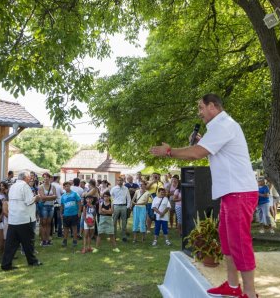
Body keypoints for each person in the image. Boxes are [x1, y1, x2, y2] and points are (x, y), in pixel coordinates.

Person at [150, 93, 258, 298]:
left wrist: (169, 151)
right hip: (232, 193)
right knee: (227, 242)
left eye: (201, 107)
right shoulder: (221, 127)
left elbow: (196, 153)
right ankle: (233, 286)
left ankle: (250, 293)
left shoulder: (223, 125)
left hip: (239, 192)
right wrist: (201, 141)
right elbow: (210, 149)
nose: (199, 113)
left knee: (239, 243)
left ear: (213, 106)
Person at [1, 171, 42, 271]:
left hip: (13, 219)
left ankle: (6, 264)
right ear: (25, 178)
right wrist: (36, 197)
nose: (30, 179)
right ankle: (32, 261)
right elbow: (29, 201)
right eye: (29, 177)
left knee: (11, 244)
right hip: (24, 218)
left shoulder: (12, 187)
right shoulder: (25, 186)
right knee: (28, 242)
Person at [60, 182, 81, 247]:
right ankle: (65, 240)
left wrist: (79, 211)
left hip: (74, 214)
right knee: (66, 228)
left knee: (74, 228)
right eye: (65, 186)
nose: (67, 187)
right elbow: (62, 205)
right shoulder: (63, 196)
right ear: (64, 187)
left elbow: (79, 202)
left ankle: (75, 241)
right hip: (66, 214)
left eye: (68, 186)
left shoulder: (75, 194)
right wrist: (61, 213)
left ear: (70, 186)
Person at [110, 177, 131, 242]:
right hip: (116, 206)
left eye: (121, 180)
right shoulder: (113, 188)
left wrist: (127, 206)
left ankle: (124, 236)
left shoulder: (126, 188)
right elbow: (111, 197)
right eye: (118, 180)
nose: (120, 181)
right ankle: (114, 236)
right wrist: (112, 205)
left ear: (123, 181)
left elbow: (128, 198)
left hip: (124, 206)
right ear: (117, 181)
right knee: (114, 222)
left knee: (124, 222)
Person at [38, 173, 56, 246]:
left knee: (49, 224)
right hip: (43, 207)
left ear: (50, 178)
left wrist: (47, 197)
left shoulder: (53, 186)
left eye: (47, 177)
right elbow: (42, 197)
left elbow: (55, 197)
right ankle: (43, 240)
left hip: (51, 206)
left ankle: (48, 240)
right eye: (44, 178)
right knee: (43, 223)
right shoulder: (41, 187)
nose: (45, 179)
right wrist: (51, 196)